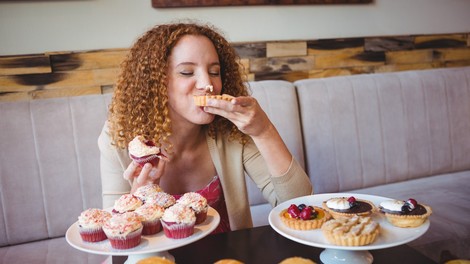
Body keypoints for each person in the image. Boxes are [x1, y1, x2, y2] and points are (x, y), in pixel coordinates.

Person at [98, 22, 313, 233]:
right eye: (187, 72)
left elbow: (300, 204)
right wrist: (140, 195)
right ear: (156, 82)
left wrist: (264, 131)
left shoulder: (231, 130)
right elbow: (116, 239)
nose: (207, 84)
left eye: (214, 71)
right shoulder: (118, 137)